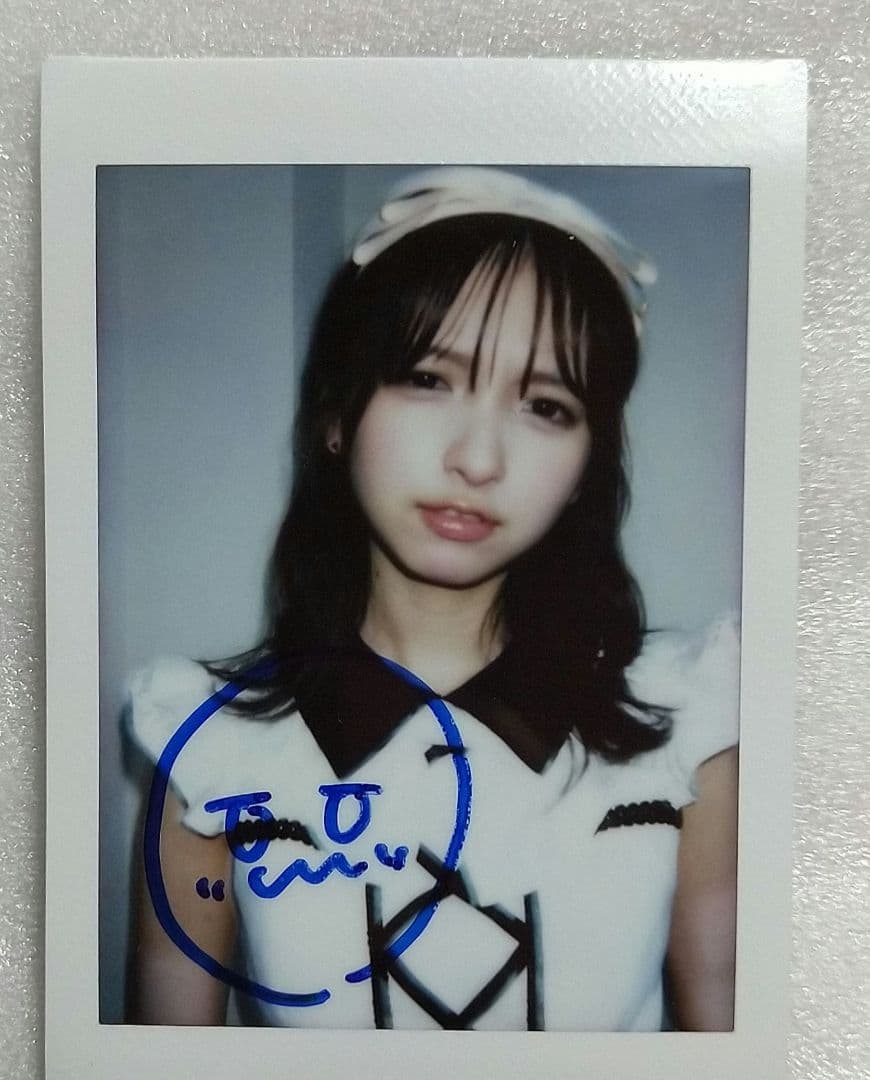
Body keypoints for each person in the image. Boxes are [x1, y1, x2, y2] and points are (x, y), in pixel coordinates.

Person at [127, 167, 739, 1031]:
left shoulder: (690, 723)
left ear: (586, 465)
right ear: (338, 414)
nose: (478, 459)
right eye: (427, 378)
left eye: (545, 405)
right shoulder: (208, 745)